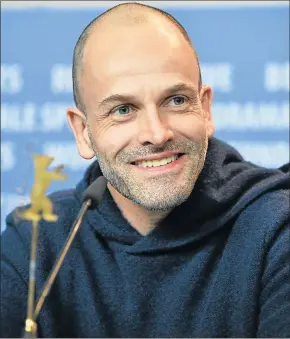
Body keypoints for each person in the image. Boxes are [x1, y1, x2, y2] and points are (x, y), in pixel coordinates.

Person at [1, 2, 289, 338]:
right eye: (123, 109)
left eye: (177, 100)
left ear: (205, 109)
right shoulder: (35, 242)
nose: (156, 133)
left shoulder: (276, 229)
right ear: (83, 132)